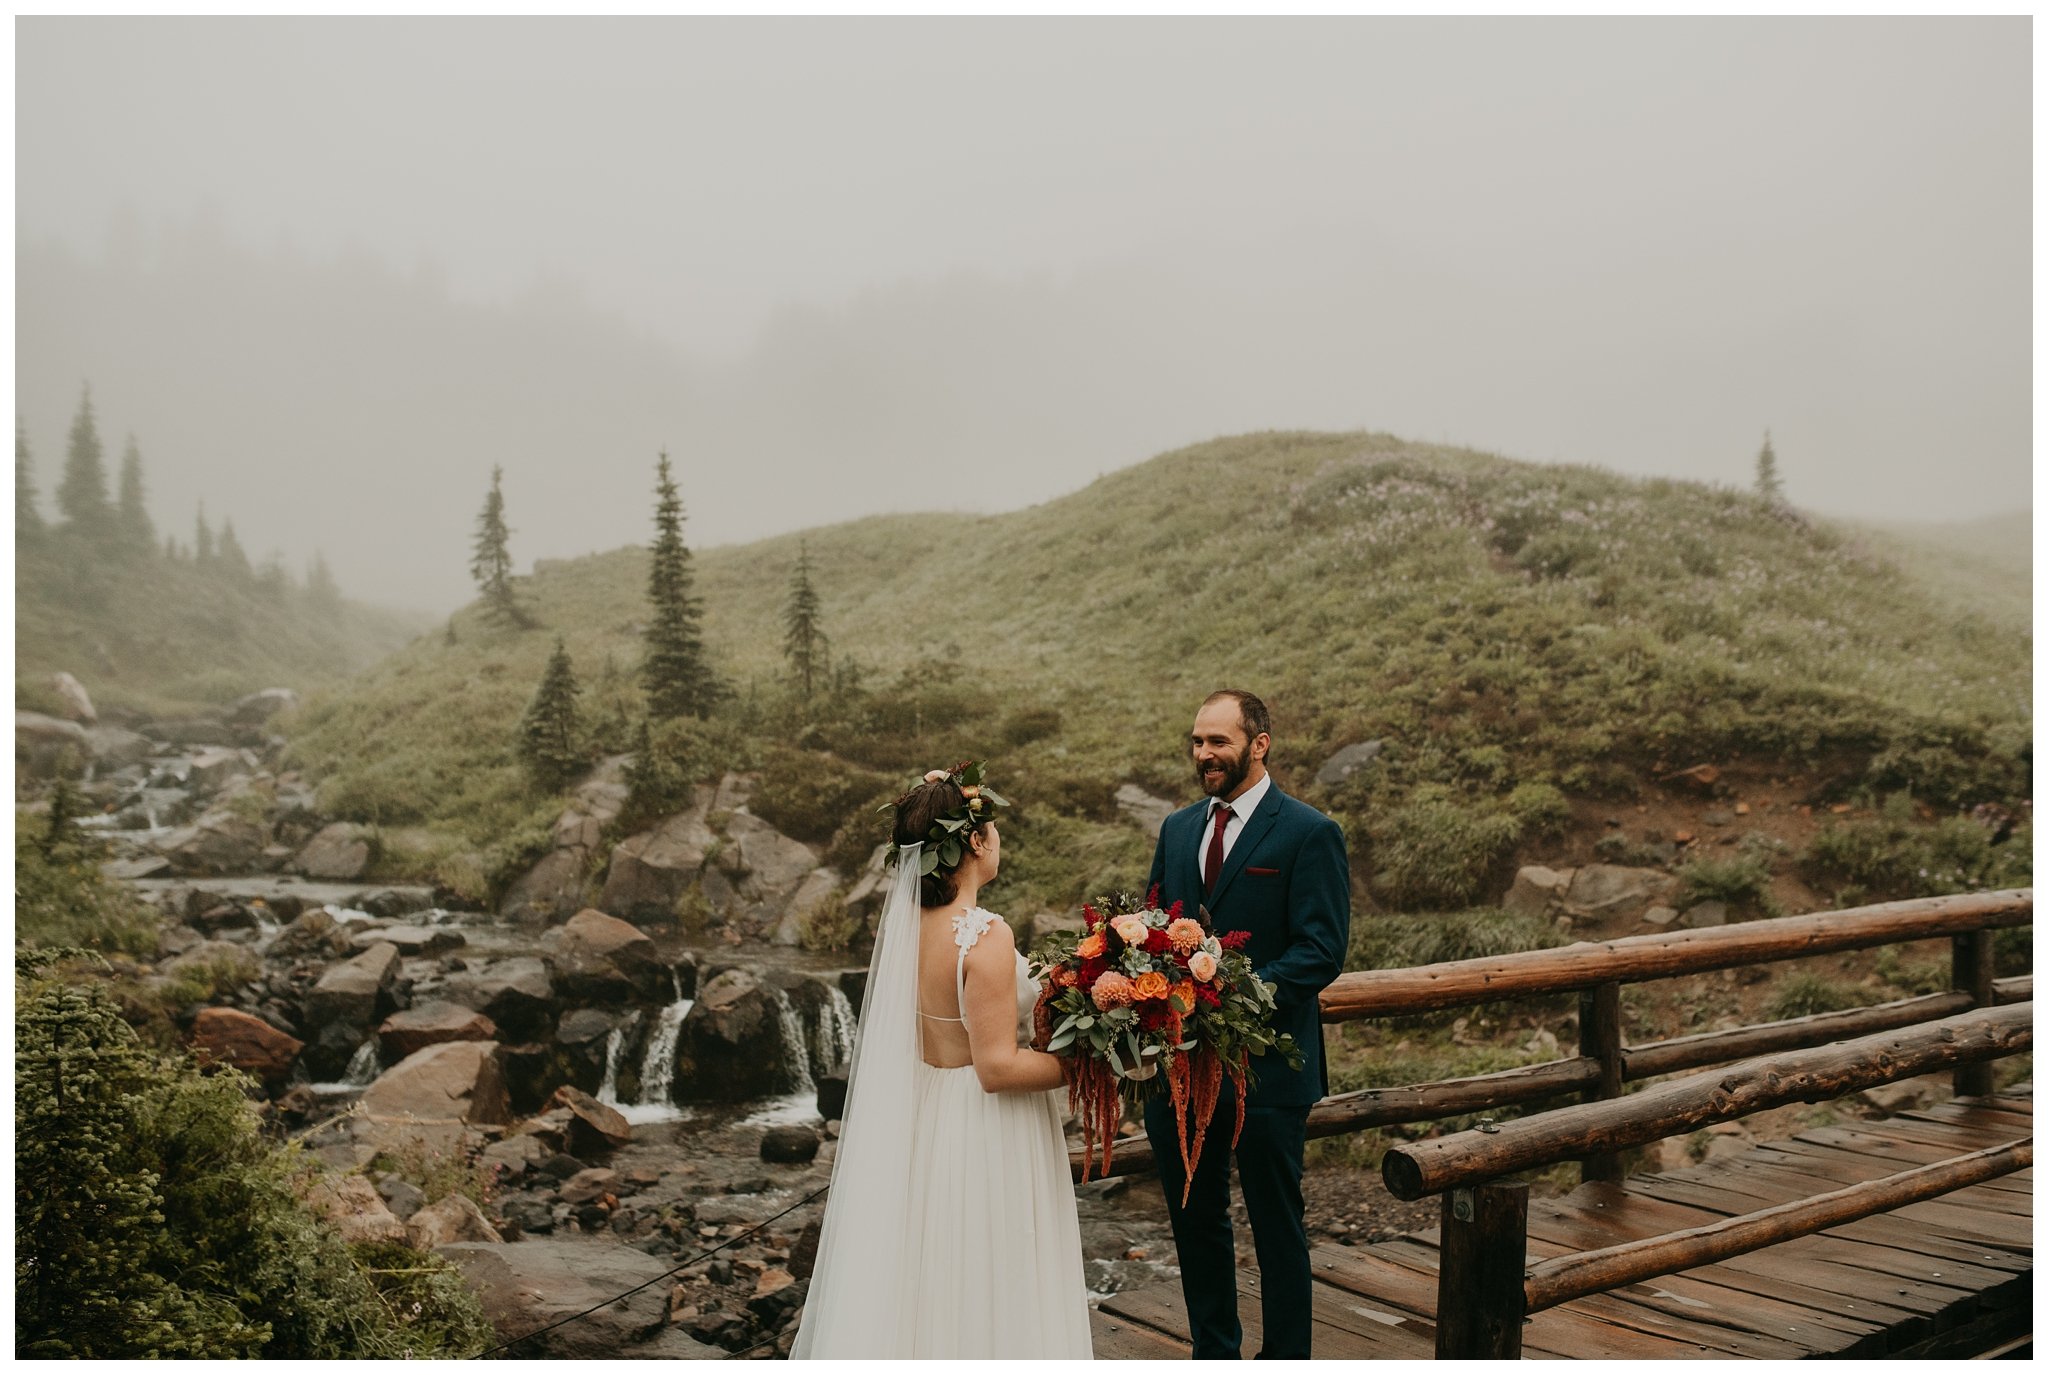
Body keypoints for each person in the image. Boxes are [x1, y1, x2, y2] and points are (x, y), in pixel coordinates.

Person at [792, 763, 1093, 1360]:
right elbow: (998, 1069)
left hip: (929, 1117)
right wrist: (1093, 1065)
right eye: (994, 830)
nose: (998, 840)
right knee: (996, 1272)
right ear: (976, 841)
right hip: (988, 1129)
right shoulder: (985, 935)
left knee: (932, 1274)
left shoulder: (907, 931)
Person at [1142, 690, 1350, 1360]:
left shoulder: (1308, 832)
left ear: (1259, 743)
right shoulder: (1177, 829)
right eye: (1197, 741)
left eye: (1218, 741)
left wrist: (1235, 996)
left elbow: (1322, 948)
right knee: (1196, 1223)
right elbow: (1153, 931)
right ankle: (1214, 1352)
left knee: (1276, 1228)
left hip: (1268, 1071)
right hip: (1181, 1070)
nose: (1204, 754)